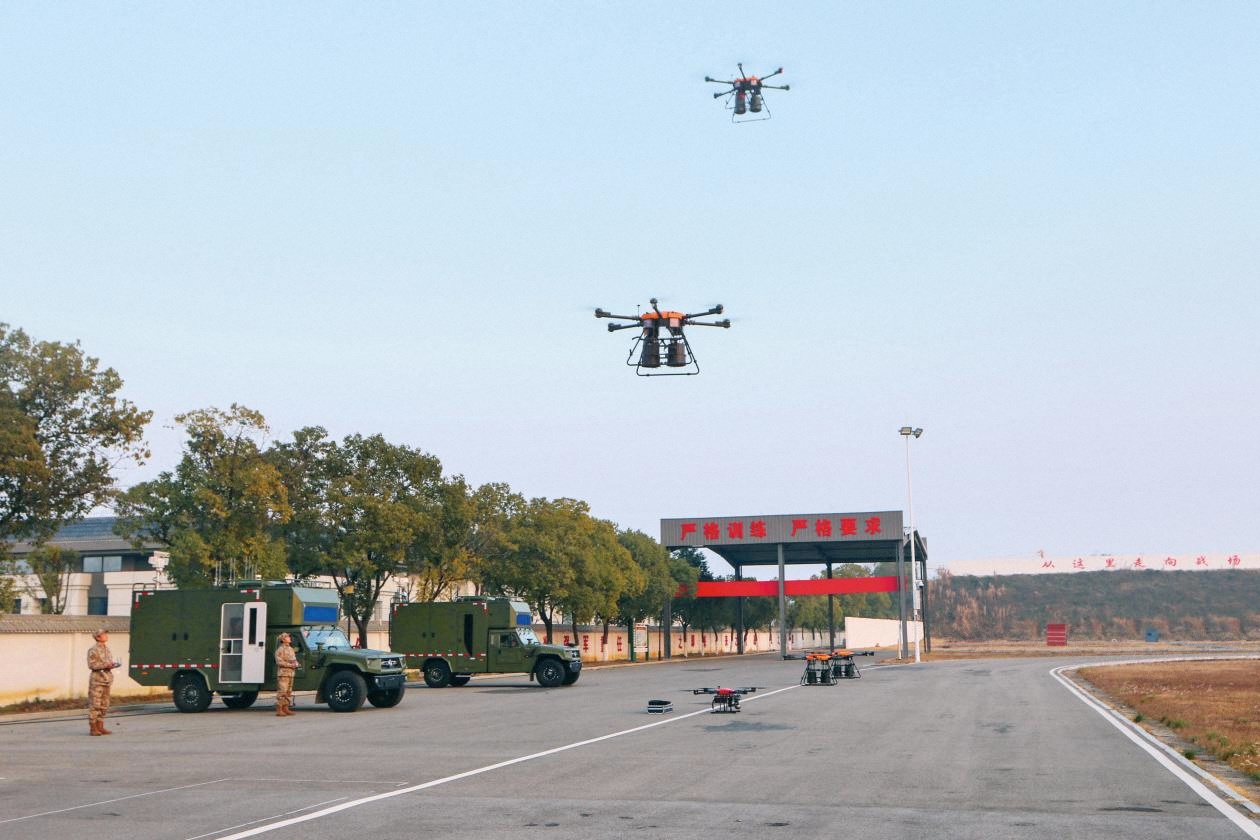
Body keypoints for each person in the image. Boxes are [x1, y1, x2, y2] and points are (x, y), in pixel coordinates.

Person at [87, 628, 120, 736]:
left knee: (104, 704)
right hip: (97, 680)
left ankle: (100, 726)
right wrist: (106, 665)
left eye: (105, 634)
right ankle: (93, 727)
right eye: (103, 634)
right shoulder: (93, 650)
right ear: (97, 637)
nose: (106, 635)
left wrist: (113, 665)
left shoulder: (107, 649)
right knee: (95, 704)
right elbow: (91, 665)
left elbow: (108, 662)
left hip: (106, 679)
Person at [274, 632, 299, 716]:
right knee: (282, 691)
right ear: (283, 639)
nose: (289, 638)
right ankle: (279, 709)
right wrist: (290, 665)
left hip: (291, 673)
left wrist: (296, 664)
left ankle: (285, 707)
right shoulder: (280, 650)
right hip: (283, 673)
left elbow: (293, 659)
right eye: (287, 637)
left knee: (288, 691)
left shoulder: (290, 649)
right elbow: (279, 662)